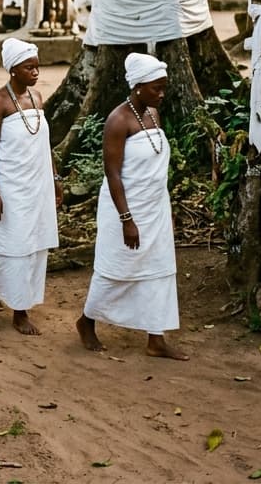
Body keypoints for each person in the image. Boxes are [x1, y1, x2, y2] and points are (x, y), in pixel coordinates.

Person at [76, 52, 189, 360]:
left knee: (159, 271)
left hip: (155, 207)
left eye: (163, 86)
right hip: (125, 207)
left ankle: (156, 338)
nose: (162, 93)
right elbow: (112, 173)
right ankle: (86, 321)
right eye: (156, 87)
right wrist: (127, 218)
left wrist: (167, 209)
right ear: (138, 86)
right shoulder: (118, 120)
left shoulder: (153, 113)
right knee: (116, 269)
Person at [0, 39, 62, 335]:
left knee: (35, 246)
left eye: (37, 66)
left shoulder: (38, 97)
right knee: (15, 245)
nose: (36, 72)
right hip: (9, 186)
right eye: (29, 67)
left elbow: (45, 145)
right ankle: (19, 311)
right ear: (13, 69)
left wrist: (54, 179)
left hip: (37, 184)